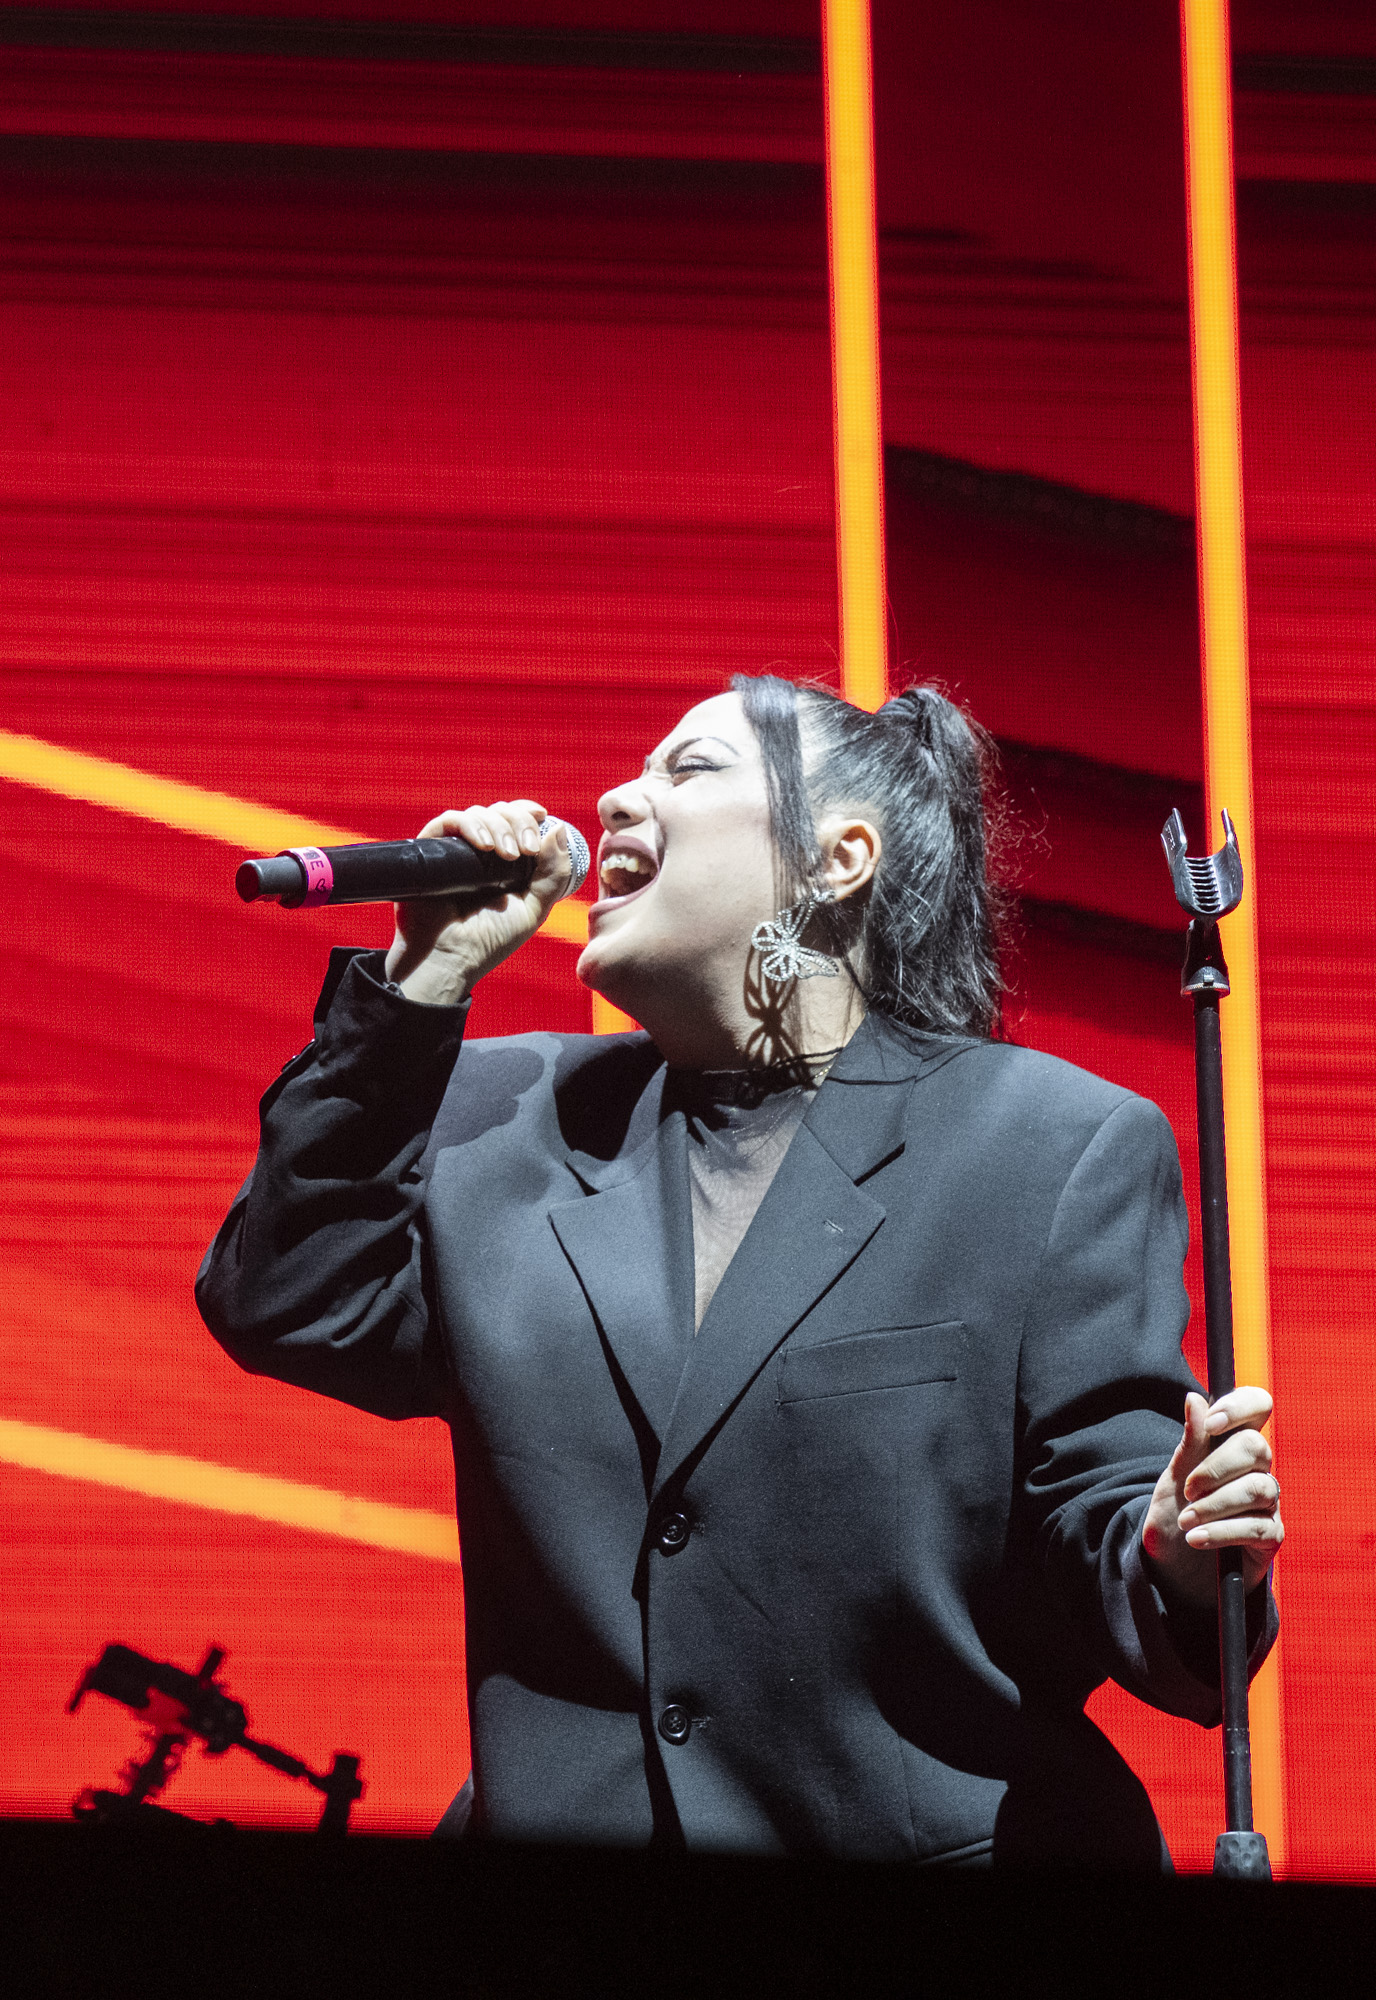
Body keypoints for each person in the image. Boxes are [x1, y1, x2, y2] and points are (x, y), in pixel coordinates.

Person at [196, 676, 1283, 1865]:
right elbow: (290, 1298)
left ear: (838, 855)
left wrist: (1173, 1548)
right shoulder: (512, 1117)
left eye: (689, 768)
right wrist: (429, 977)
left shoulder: (1041, 1146)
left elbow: (1106, 1525)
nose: (617, 796)